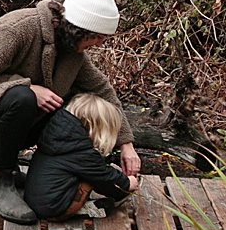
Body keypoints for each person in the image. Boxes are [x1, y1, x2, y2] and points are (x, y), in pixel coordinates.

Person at [0, 0, 140, 225]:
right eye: (97, 38)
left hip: (2, 110)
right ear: (80, 29)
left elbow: (102, 90)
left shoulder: (71, 49)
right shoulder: (18, 28)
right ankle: (1, 183)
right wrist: (30, 87)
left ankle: (1, 159)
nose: (98, 44)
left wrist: (126, 144)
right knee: (24, 98)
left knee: (67, 107)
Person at [23, 92, 139, 221]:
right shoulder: (82, 152)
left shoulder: (57, 136)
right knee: (92, 177)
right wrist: (127, 184)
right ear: (97, 128)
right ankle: (82, 209)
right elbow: (104, 177)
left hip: (36, 200)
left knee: (85, 171)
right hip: (55, 208)